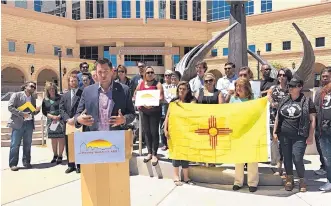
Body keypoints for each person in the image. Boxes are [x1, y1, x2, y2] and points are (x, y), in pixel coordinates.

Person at [273, 78, 316, 192]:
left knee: (297, 158)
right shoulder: (284, 100)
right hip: (284, 135)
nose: (290, 88)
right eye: (289, 86)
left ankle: (302, 180)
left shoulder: (307, 101)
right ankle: (289, 179)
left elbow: (312, 119)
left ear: (300, 87)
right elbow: (278, 116)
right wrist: (275, 131)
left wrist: (311, 135)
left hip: (299, 135)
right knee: (287, 159)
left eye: (293, 86)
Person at [75, 58, 135, 132]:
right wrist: (79, 119)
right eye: (100, 72)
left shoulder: (124, 90)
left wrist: (124, 119)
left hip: (117, 138)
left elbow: (131, 113)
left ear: (112, 72)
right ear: (96, 73)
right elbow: (78, 114)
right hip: (93, 138)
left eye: (106, 71)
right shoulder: (87, 91)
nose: (103, 75)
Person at [229, 78, 259, 193]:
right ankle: (238, 182)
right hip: (238, 133)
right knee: (239, 158)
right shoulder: (233, 99)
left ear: (247, 88)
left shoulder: (254, 99)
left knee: (252, 159)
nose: (238, 89)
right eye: (237, 86)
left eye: (241, 86)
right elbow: (230, 114)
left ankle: (253, 182)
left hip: (251, 132)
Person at [164, 81, 196, 186]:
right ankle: (176, 176)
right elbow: (168, 116)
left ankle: (186, 177)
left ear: (188, 90)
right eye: (180, 89)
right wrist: (165, 129)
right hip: (175, 131)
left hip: (186, 131)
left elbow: (192, 111)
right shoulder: (173, 101)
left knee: (185, 154)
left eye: (184, 89)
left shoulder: (192, 101)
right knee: (175, 153)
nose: (181, 91)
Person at [7, 81, 41, 171]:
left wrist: (37, 111)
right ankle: (13, 164)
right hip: (18, 123)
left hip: (29, 123)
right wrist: (21, 114)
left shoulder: (33, 98)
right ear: (26, 86)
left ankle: (26, 162)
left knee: (27, 144)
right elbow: (10, 107)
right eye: (31, 86)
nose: (33, 88)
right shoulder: (17, 95)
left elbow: (32, 111)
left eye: (34, 87)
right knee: (15, 144)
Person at [135, 66, 164, 166]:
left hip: (155, 112)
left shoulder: (158, 84)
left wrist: (153, 103)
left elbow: (161, 97)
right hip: (144, 111)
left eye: (152, 72)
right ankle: (149, 152)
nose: (150, 74)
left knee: (154, 132)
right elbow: (135, 95)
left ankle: (155, 154)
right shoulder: (141, 84)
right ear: (145, 74)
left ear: (154, 74)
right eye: (148, 72)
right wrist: (142, 103)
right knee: (146, 132)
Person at [267, 68, 292, 175]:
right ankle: (278, 167)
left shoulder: (290, 89)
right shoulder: (273, 88)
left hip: (287, 120)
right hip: (274, 119)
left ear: (287, 77)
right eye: (280, 75)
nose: (281, 77)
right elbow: (269, 97)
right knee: (275, 143)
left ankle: (286, 167)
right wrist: (273, 103)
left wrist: (281, 105)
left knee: (286, 144)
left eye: (284, 75)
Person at [60, 74, 83, 173]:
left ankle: (79, 165)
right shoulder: (65, 95)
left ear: (78, 81)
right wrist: (67, 119)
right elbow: (61, 109)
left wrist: (76, 118)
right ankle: (71, 164)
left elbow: (85, 107)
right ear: (69, 83)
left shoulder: (83, 93)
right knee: (69, 144)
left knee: (79, 144)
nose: (73, 82)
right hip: (68, 123)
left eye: (75, 80)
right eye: (71, 81)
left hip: (79, 122)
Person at [42, 82, 65, 164]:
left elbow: (63, 108)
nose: (52, 90)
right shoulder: (45, 100)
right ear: (47, 90)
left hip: (60, 119)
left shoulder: (61, 98)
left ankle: (60, 156)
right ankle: (55, 155)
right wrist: (52, 117)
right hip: (51, 120)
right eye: (50, 89)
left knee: (61, 138)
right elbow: (44, 111)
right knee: (53, 139)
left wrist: (59, 116)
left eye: (53, 89)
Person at [314, 68, 331, 176]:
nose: (324, 78)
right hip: (322, 128)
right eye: (323, 76)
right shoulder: (319, 91)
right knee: (325, 153)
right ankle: (326, 170)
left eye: (327, 76)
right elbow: (314, 108)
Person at [317, 81, 331, 191]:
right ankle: (330, 181)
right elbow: (318, 109)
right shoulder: (323, 92)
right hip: (324, 130)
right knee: (327, 158)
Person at [161, 69, 177, 151]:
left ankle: (171, 143)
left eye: (169, 75)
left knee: (172, 125)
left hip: (173, 106)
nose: (168, 77)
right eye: (166, 75)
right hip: (164, 106)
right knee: (163, 125)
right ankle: (164, 143)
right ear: (164, 77)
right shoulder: (161, 85)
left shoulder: (175, 86)